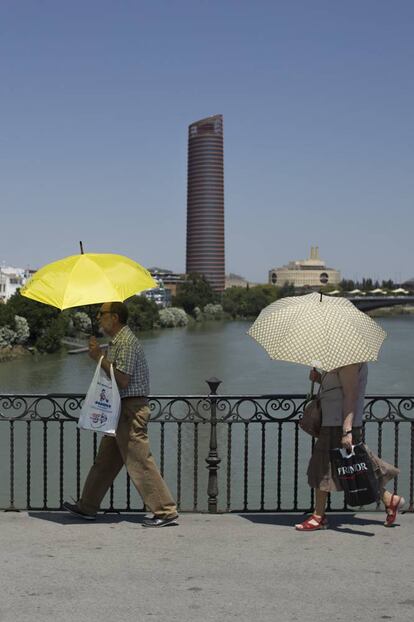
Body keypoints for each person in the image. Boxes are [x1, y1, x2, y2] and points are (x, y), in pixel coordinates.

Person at [63, 301, 178, 527]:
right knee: (105, 461)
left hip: (129, 410)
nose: (98, 318)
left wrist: (98, 357)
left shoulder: (125, 341)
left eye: (101, 314)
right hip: (121, 409)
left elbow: (123, 379)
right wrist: (101, 355)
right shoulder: (117, 341)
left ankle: (165, 511)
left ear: (114, 317)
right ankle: (87, 506)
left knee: (139, 460)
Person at [295, 362, 404, 531]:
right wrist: (319, 379)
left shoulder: (350, 362)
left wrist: (347, 431)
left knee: (323, 466)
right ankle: (389, 499)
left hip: (340, 424)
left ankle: (318, 516)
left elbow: (351, 395)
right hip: (332, 422)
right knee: (354, 467)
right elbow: (338, 388)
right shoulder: (338, 361)